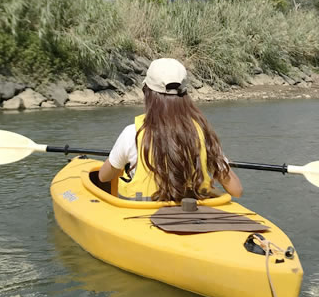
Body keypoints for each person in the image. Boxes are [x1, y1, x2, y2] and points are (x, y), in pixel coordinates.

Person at [98, 58, 243, 201]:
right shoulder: (201, 133)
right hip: (195, 217)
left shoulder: (132, 133)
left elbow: (103, 176)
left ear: (147, 93)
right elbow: (236, 190)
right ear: (185, 95)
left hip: (141, 216)